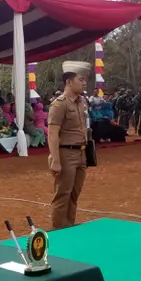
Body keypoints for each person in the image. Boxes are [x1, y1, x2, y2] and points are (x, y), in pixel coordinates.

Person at [48, 61, 91, 229]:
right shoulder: (59, 104)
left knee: (74, 194)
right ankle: (59, 231)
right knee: (62, 195)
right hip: (66, 154)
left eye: (85, 80)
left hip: (81, 153)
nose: (84, 83)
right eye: (81, 79)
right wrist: (56, 160)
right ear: (68, 81)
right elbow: (52, 134)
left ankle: (69, 227)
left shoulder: (82, 102)